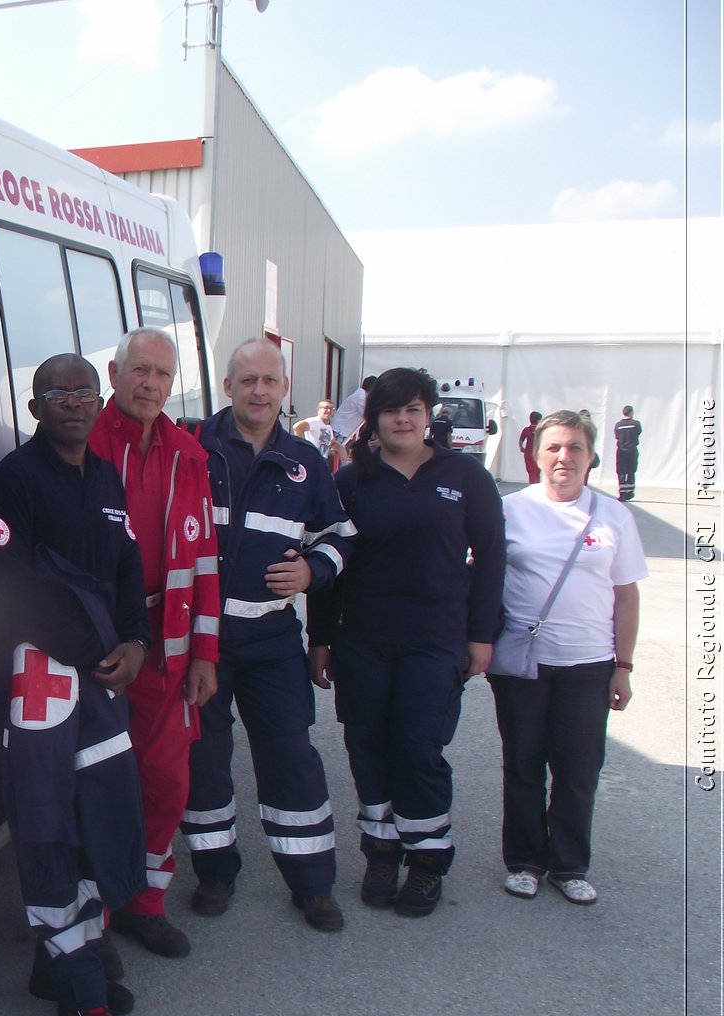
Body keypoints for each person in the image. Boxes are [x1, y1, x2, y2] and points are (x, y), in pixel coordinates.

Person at [0, 352, 149, 1016]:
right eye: (57, 393)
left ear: (98, 398)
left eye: (83, 391)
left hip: (102, 679)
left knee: (99, 811)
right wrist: (93, 651)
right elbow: (6, 586)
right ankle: (82, 994)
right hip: (39, 685)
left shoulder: (106, 476)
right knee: (48, 826)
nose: (73, 403)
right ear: (35, 407)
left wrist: (137, 638)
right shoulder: (14, 482)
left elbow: (126, 567)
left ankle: (65, 957)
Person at [307, 368, 505, 917]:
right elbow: (330, 567)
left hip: (435, 642)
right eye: (391, 409)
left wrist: (482, 635)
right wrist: (320, 638)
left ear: (428, 415)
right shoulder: (349, 483)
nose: (402, 418)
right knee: (366, 746)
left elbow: (492, 559)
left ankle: (426, 862)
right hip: (363, 641)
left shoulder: (465, 477)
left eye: (413, 408)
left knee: (418, 750)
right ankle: (381, 852)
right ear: (373, 418)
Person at [182, 338, 356, 931]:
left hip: (271, 639)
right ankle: (214, 873)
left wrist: (313, 570)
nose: (259, 391)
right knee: (204, 759)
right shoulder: (190, 448)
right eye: (247, 380)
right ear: (227, 387)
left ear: (284, 390)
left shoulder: (305, 461)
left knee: (290, 756)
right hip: (199, 641)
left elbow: (340, 534)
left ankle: (312, 884)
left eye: (270, 381)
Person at [87, 327, 221, 959]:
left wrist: (205, 652)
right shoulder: (82, 440)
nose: (150, 384)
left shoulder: (188, 453)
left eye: (163, 375)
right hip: (95, 646)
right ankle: (95, 916)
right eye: (139, 371)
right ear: (114, 374)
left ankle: (146, 903)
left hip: (167, 648)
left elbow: (204, 561)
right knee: (98, 784)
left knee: (165, 780)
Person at [489, 410, 647, 904]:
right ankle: (525, 861)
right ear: (536, 456)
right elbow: (479, 575)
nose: (564, 456)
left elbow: (626, 596)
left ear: (591, 457)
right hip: (522, 667)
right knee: (524, 765)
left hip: (590, 666)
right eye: (553, 447)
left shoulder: (614, 516)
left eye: (575, 447)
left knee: (579, 770)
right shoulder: (510, 510)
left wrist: (623, 666)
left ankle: (570, 865)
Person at [293, 398, 346, 470]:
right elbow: (298, 427)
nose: (329, 411)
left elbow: (332, 443)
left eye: (332, 408)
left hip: (322, 461)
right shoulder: (315, 421)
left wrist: (340, 448)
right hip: (311, 460)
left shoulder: (328, 428)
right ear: (318, 410)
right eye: (326, 408)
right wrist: (303, 447)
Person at [331, 375, 376, 447]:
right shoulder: (361, 396)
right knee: (339, 454)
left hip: (344, 431)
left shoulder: (362, 395)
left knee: (343, 454)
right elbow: (368, 414)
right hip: (340, 430)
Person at [614, 405, 643, 501]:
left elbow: (617, 436)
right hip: (632, 450)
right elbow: (638, 432)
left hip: (621, 450)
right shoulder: (636, 424)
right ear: (631, 412)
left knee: (621, 471)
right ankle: (630, 492)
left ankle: (622, 493)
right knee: (631, 470)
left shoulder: (618, 425)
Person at [518, 411, 543, 485]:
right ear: (538, 420)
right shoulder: (541, 430)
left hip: (528, 453)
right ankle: (536, 485)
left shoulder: (526, 430)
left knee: (530, 470)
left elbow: (521, 440)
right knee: (537, 470)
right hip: (538, 452)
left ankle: (533, 485)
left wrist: (521, 448)